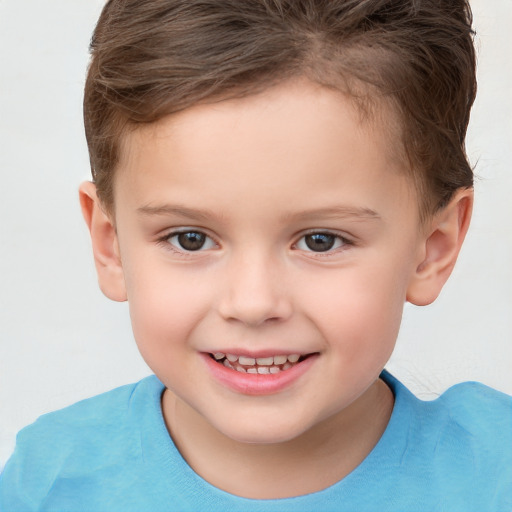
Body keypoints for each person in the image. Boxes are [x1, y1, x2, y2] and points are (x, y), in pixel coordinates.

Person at [1, 0, 511, 510]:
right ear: (109, 244)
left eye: (320, 240)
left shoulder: (495, 477)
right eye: (190, 239)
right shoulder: (50, 482)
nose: (252, 303)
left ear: (432, 249)